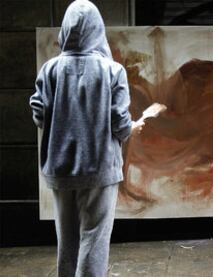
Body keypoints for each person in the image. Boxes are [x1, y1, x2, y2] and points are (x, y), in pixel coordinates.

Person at [29, 0, 143, 276]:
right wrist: (133, 128)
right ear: (98, 29)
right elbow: (120, 124)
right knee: (94, 237)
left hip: (60, 167)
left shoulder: (50, 69)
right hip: (99, 168)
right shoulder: (112, 71)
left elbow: (39, 115)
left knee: (66, 238)